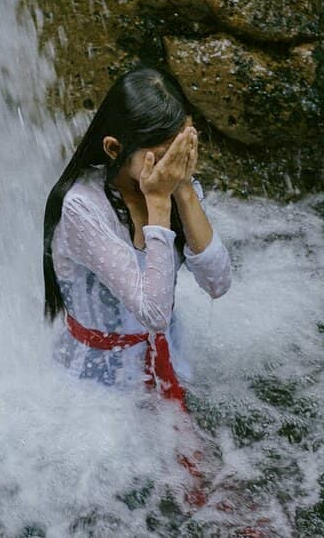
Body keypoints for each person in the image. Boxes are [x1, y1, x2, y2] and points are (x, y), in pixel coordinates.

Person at [41, 65, 233, 402]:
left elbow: (218, 283)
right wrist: (158, 201)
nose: (173, 164)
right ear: (114, 149)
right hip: (97, 389)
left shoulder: (171, 180)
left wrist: (184, 189)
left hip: (168, 356)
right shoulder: (82, 208)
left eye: (182, 148)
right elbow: (154, 314)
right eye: (162, 157)